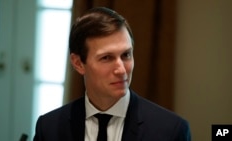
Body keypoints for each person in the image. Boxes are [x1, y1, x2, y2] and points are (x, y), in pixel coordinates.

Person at [33, 7, 191, 141]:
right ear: (78, 63)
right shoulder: (48, 128)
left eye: (126, 55)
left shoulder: (171, 131)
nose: (122, 70)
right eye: (106, 58)